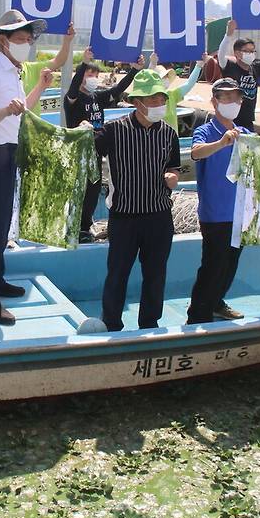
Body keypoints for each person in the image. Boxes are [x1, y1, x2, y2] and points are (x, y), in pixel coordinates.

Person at [0, 10, 54, 325]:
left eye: (28, 40)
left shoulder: (13, 72)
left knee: (3, 226)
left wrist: (41, 87)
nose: (26, 44)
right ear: (3, 41)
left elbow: (21, 111)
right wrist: (6, 109)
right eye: (20, 39)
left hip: (12, 151)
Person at [88, 69, 181, 331]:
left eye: (162, 100)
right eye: (153, 100)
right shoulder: (114, 130)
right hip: (124, 217)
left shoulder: (169, 134)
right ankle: (112, 324)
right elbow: (84, 148)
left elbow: (174, 166)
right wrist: (83, 129)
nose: (159, 105)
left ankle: (149, 324)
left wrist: (172, 176)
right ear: (136, 102)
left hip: (159, 215)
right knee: (117, 274)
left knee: (156, 275)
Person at [186, 78, 251, 324]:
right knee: (213, 264)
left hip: (240, 213)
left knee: (231, 263)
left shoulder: (245, 133)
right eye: (227, 97)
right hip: (216, 213)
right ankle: (198, 313)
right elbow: (196, 152)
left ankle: (216, 302)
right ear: (214, 102)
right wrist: (222, 142)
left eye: (237, 98)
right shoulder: (205, 130)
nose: (233, 102)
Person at [64, 48, 144, 242]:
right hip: (79, 151)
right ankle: (73, 226)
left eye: (96, 75)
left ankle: (85, 226)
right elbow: (73, 89)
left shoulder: (97, 97)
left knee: (94, 188)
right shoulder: (73, 98)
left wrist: (134, 70)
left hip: (97, 149)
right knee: (79, 188)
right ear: (81, 76)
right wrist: (83, 62)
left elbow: (117, 91)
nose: (93, 78)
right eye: (89, 74)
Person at [217, 19, 260, 130]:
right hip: (231, 120)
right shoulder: (230, 67)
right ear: (237, 53)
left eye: (252, 51)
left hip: (248, 120)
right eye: (247, 51)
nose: (251, 54)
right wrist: (228, 34)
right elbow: (221, 55)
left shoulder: (255, 68)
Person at [148, 53, 203, 132]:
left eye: (166, 77)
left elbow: (189, 84)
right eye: (162, 77)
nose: (165, 79)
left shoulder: (171, 95)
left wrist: (198, 66)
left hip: (172, 142)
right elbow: (148, 79)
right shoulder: (147, 97)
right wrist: (152, 63)